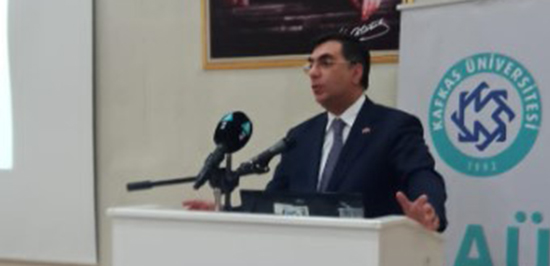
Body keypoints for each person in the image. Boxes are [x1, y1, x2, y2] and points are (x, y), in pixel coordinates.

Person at [185, 33, 446, 233]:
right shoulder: (300, 137)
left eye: (325, 63)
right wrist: (226, 214)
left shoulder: (394, 127)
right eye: (310, 65)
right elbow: (274, 204)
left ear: (356, 72)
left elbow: (422, 175)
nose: (313, 73)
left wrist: (428, 210)